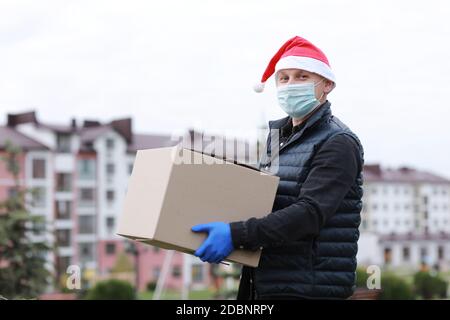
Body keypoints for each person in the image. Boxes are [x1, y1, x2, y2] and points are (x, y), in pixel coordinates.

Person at [191, 36, 364, 300]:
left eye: (301, 76)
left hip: (309, 288)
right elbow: (264, 200)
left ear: (327, 85)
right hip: (267, 281)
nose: (290, 85)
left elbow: (309, 214)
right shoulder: (276, 139)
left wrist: (235, 233)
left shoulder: (338, 142)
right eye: (283, 78)